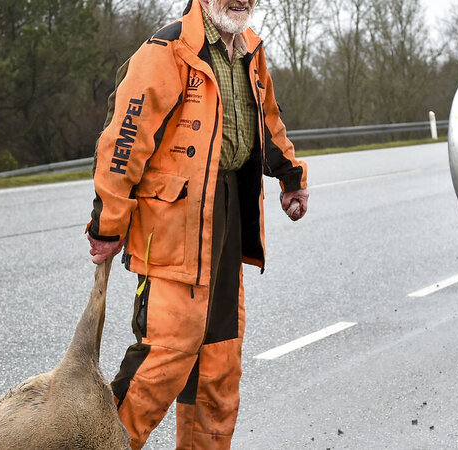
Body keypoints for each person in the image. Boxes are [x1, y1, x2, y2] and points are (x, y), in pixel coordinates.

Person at [85, 0, 309, 448]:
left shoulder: (249, 50)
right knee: (160, 365)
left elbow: (266, 122)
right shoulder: (166, 50)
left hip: (228, 222)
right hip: (172, 231)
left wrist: (291, 176)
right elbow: (124, 143)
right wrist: (108, 225)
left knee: (218, 370)